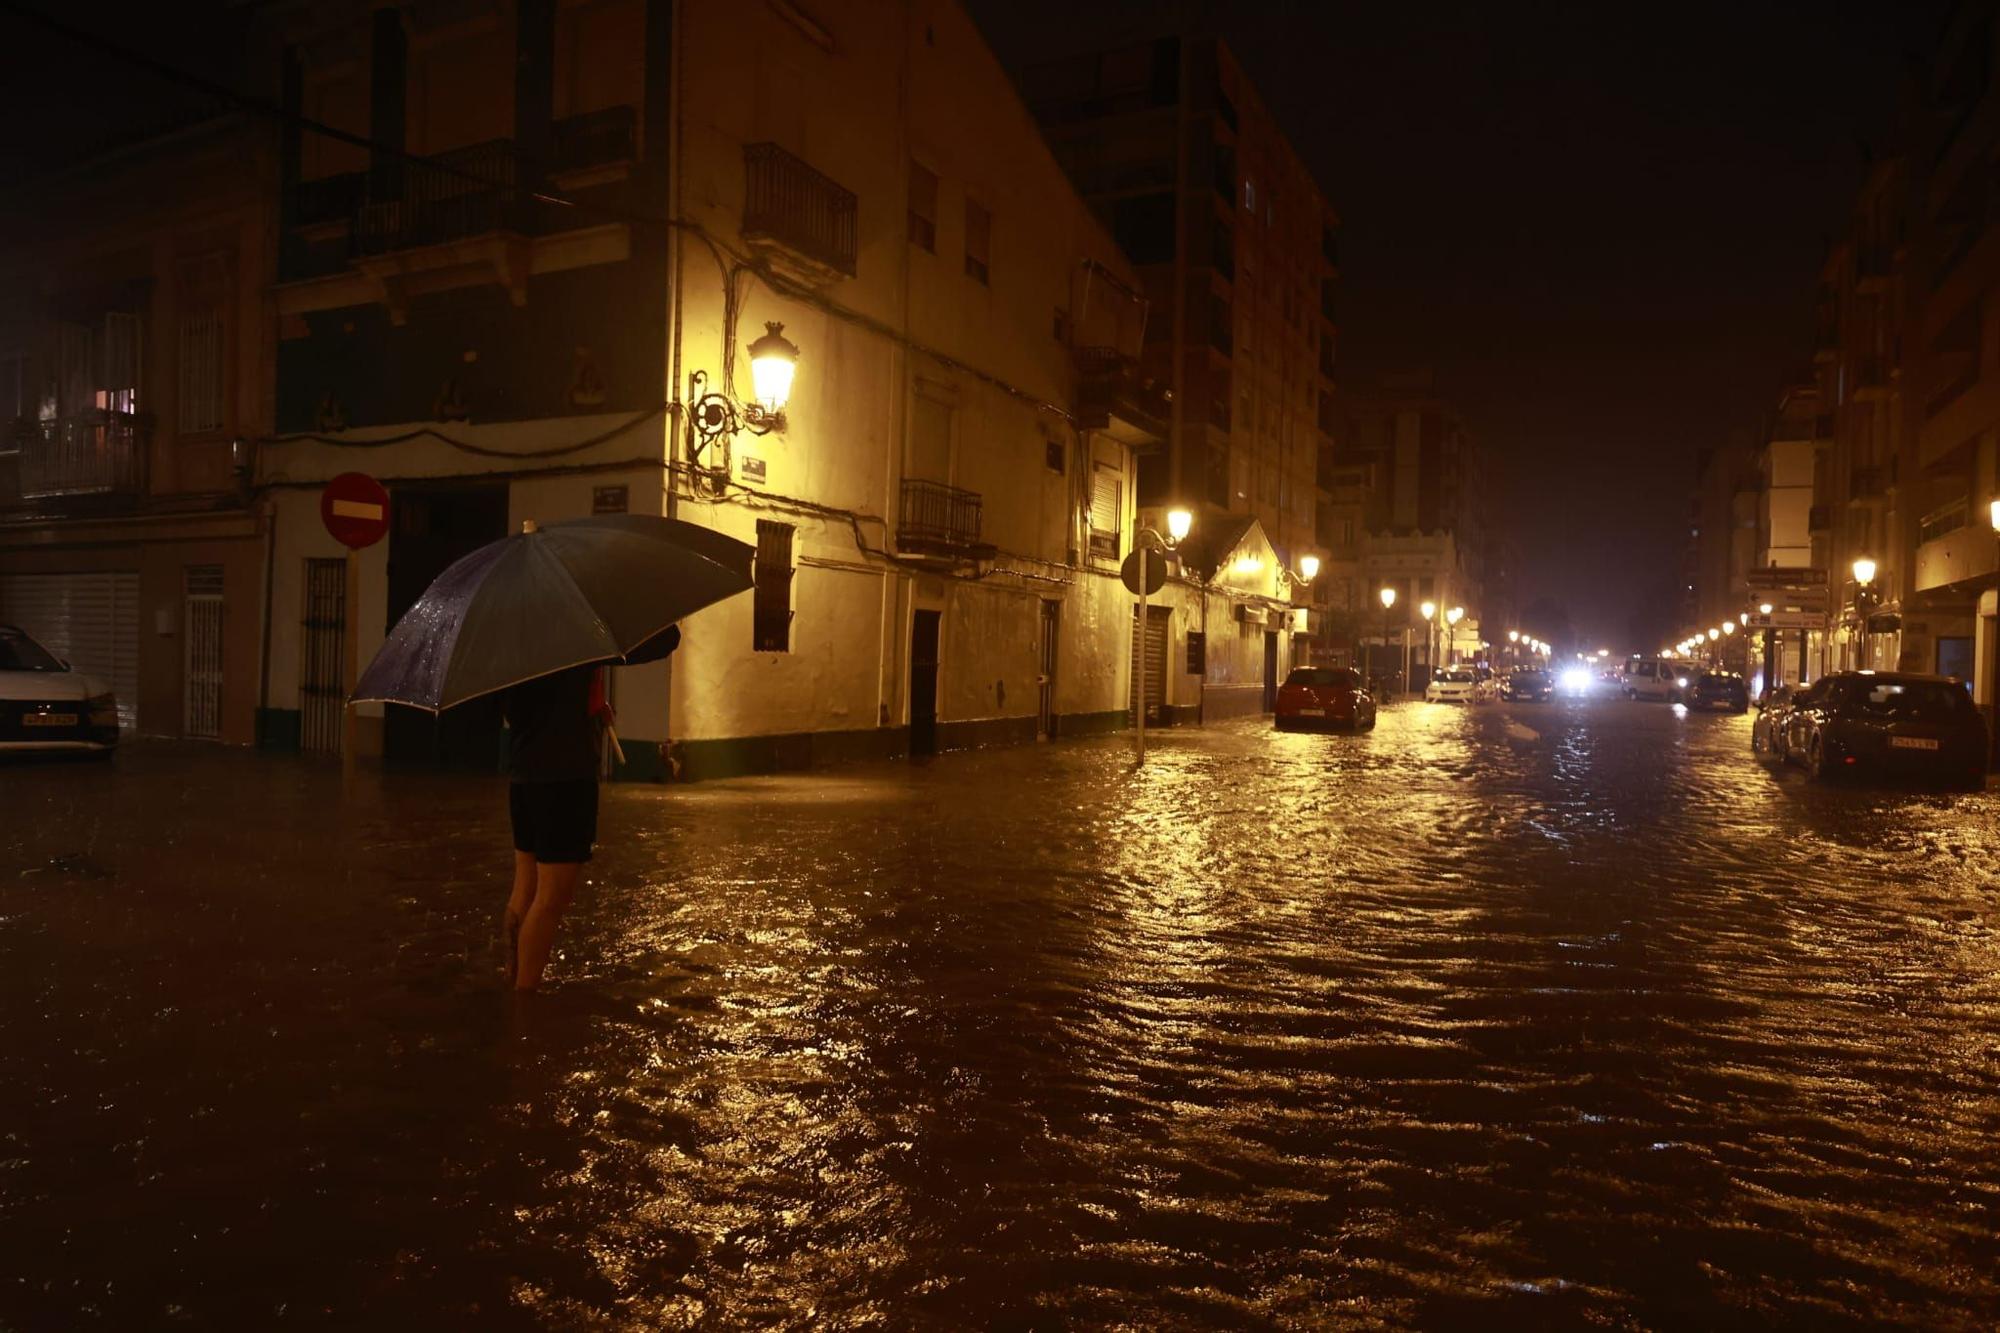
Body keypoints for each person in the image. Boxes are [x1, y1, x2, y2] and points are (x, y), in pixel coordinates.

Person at [501, 662, 613, 991]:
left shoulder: (514, 648)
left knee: (525, 885)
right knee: (551, 897)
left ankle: (512, 975)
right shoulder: (574, 644)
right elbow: (662, 643)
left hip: (523, 777)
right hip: (565, 780)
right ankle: (525, 997)